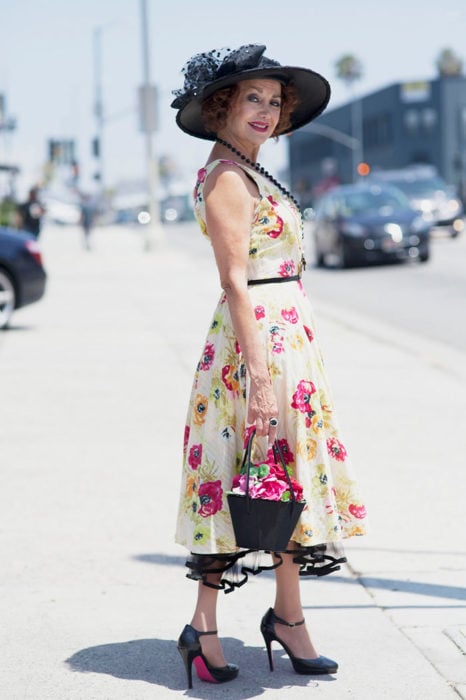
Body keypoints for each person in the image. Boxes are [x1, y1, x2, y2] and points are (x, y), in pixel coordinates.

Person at [171, 44, 367, 689]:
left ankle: (288, 616)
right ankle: (202, 628)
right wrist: (258, 379)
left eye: (274, 101)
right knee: (236, 479)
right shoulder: (228, 176)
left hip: (285, 341)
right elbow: (234, 280)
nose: (265, 110)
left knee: (282, 482)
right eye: (251, 98)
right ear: (222, 107)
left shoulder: (254, 171)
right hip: (255, 346)